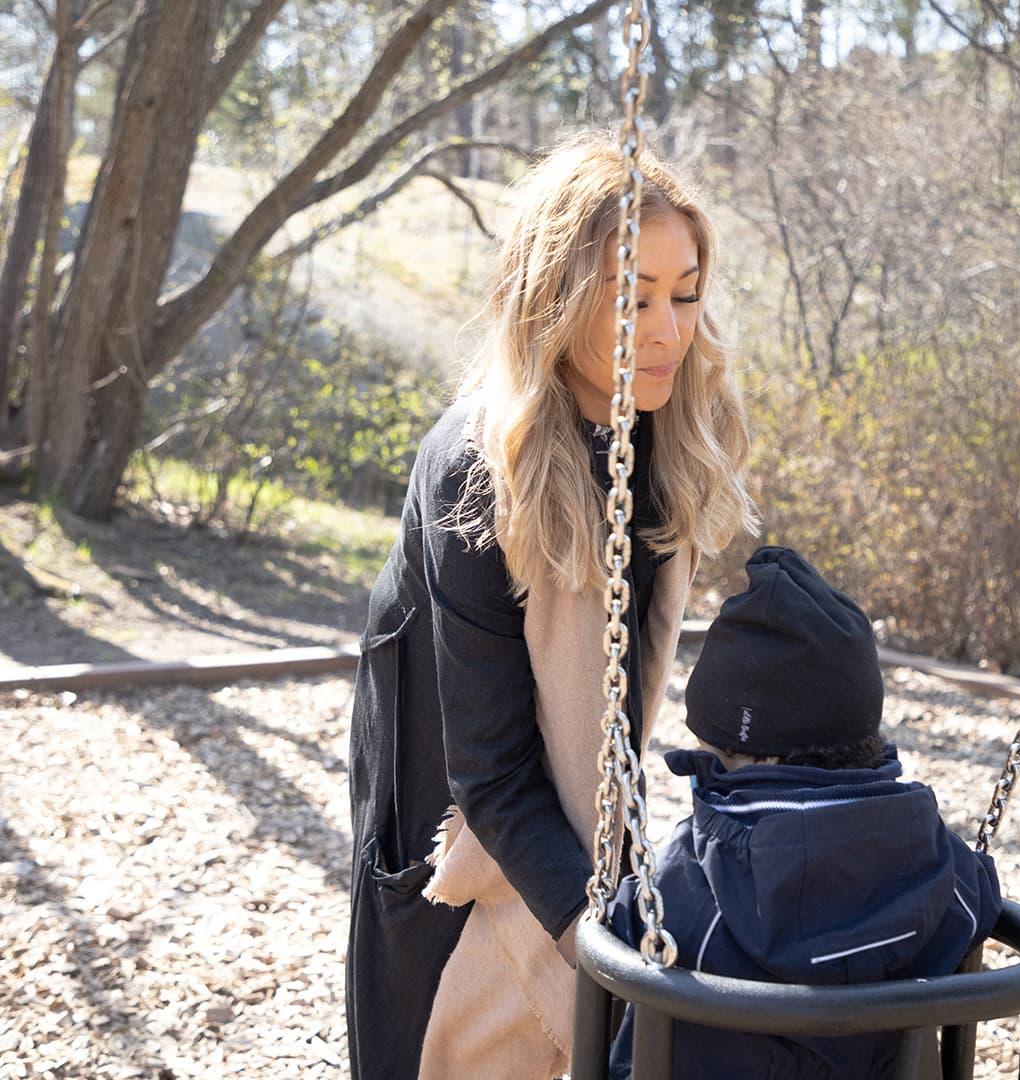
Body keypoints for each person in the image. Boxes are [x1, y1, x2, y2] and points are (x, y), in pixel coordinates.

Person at [345, 130, 757, 1080]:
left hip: (581, 819)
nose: (668, 329)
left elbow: (621, 699)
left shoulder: (664, 436)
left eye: (685, 293)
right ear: (557, 295)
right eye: (631, 299)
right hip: (452, 834)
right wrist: (603, 932)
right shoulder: (479, 469)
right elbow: (488, 772)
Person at [607, 546, 1004, 1079]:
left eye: (713, 761)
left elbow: (616, 930)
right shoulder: (941, 867)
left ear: (762, 757)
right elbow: (981, 898)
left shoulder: (692, 880)